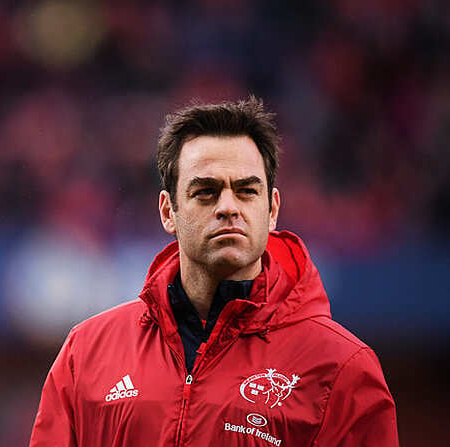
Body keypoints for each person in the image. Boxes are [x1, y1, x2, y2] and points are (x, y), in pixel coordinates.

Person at [28, 97, 398, 446]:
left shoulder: (341, 368)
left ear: (272, 210)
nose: (228, 207)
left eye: (246, 191)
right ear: (168, 211)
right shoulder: (88, 352)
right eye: (205, 191)